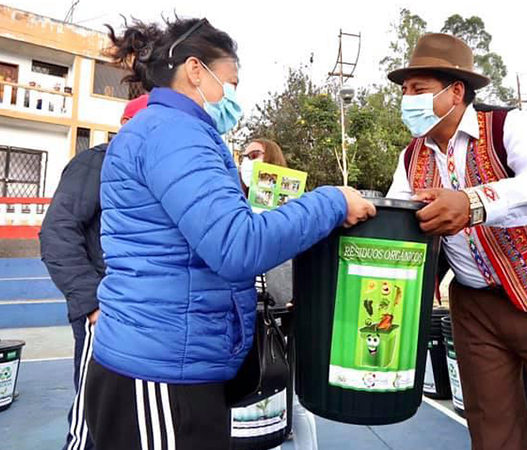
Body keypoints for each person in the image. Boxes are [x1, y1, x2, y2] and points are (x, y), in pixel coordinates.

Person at [84, 17, 375, 450]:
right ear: (196, 70)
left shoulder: (173, 131)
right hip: (161, 369)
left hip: (175, 359)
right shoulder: (175, 134)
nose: (234, 96)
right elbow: (237, 245)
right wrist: (332, 202)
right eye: (231, 82)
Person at [386, 33, 527, 449]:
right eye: (404, 92)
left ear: (455, 91)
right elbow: (400, 223)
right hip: (473, 307)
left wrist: (472, 202)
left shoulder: (510, 126)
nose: (407, 100)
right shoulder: (410, 157)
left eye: (418, 90)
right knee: (490, 426)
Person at [40, 93, 148, 450]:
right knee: (94, 415)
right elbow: (57, 232)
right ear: (127, 124)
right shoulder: (95, 163)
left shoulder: (147, 169)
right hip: (103, 312)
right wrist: (91, 305)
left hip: (142, 312)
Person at [239, 138, 319, 450]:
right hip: (249, 310)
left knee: (292, 396)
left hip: (286, 308)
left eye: (255, 155)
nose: (249, 162)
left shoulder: (298, 204)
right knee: (254, 392)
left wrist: (301, 293)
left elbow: (309, 253)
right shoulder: (237, 200)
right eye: (244, 156)